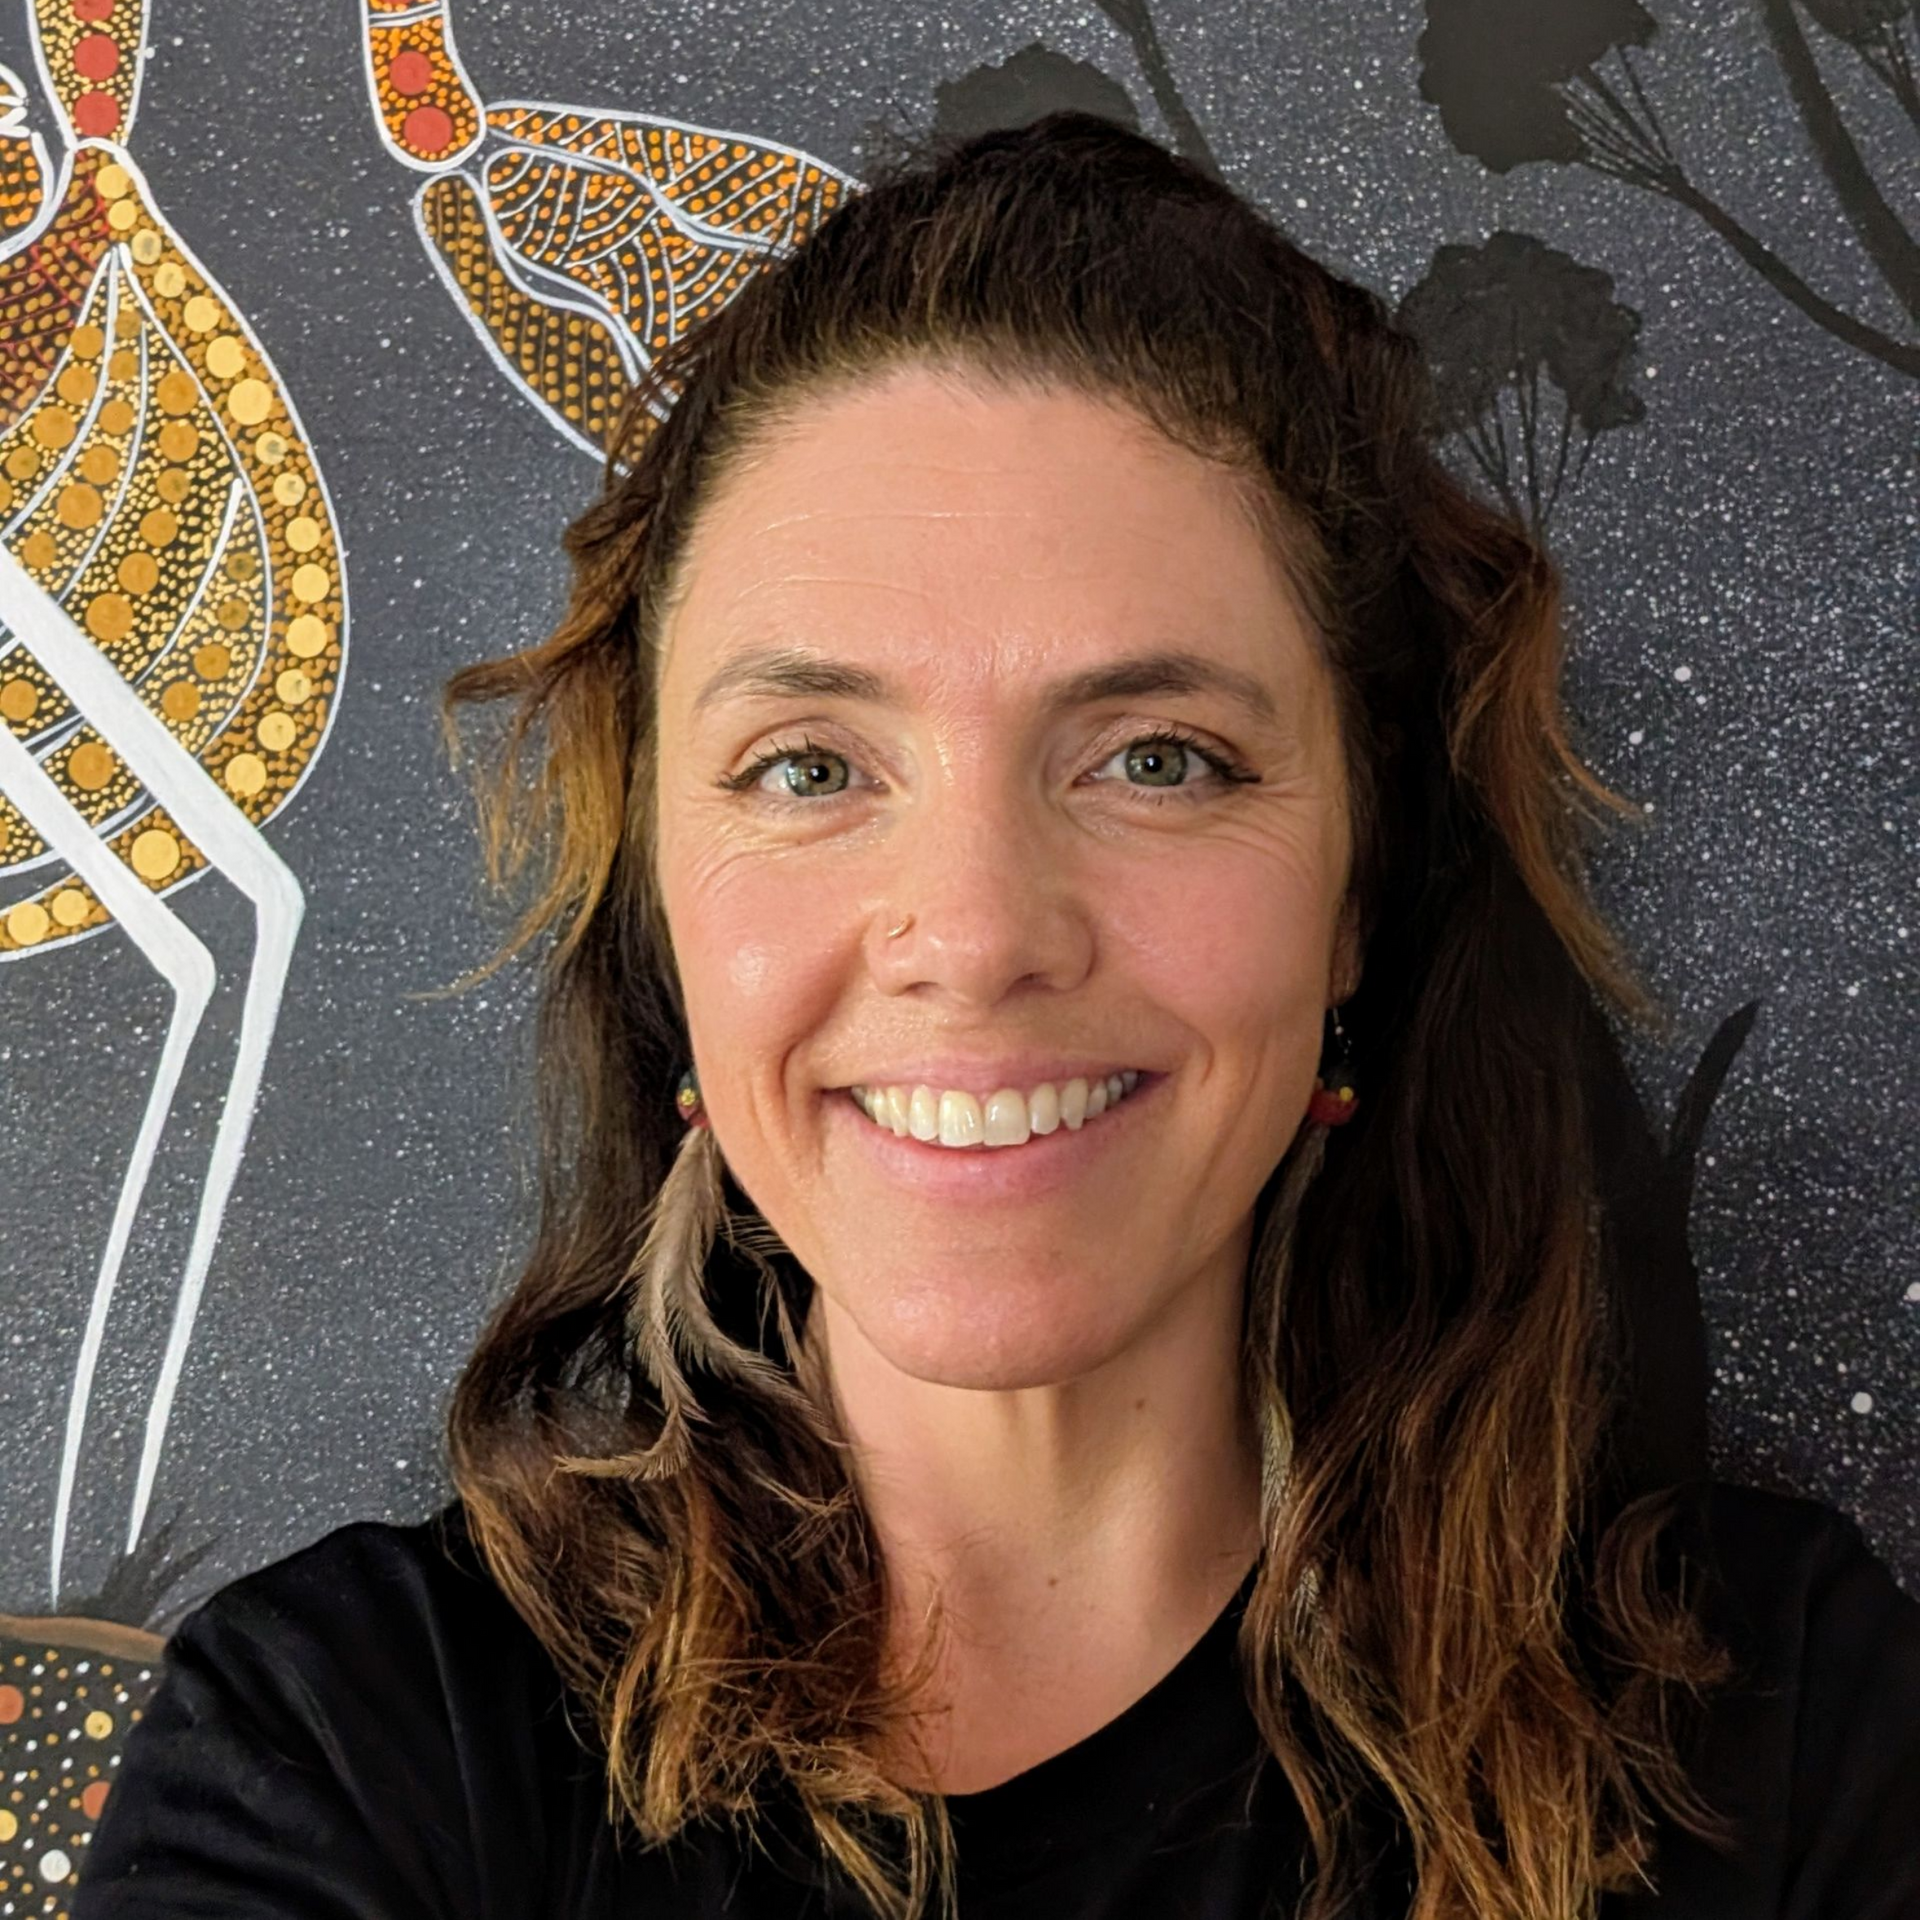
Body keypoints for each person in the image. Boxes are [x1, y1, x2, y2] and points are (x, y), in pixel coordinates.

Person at [73, 111, 1919, 1920]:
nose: (969, 934)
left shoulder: (1775, 1737)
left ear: (1360, 894)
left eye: (1160, 758)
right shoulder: (348, 1753)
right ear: (665, 920)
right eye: (808, 767)